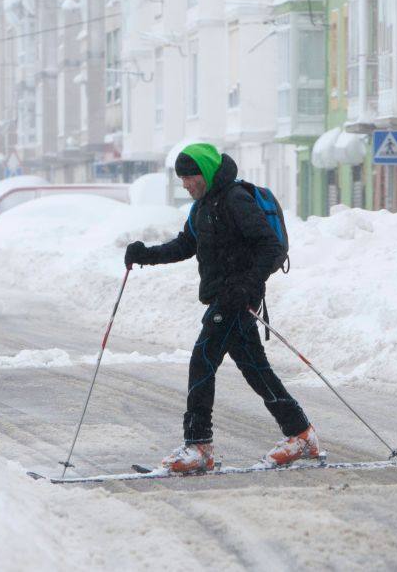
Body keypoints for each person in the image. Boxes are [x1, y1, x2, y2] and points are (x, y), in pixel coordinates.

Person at [124, 143, 318, 474]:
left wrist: (247, 285)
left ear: (208, 172)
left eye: (190, 177)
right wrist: (146, 255)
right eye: (182, 178)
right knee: (255, 369)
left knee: (203, 360)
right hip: (223, 298)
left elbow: (270, 247)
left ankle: (199, 445)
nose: (186, 184)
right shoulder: (201, 208)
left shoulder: (235, 199)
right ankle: (301, 434)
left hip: (237, 299)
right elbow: (186, 245)